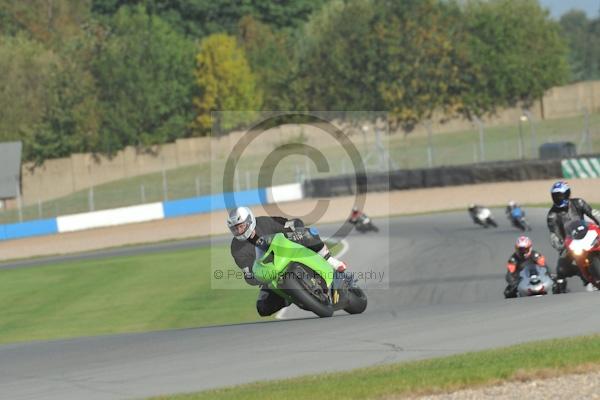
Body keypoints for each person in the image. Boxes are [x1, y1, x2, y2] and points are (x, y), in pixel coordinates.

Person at [227, 207, 348, 316]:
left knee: (309, 234)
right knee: (262, 307)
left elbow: (288, 224)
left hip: (289, 251)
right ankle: (291, 296)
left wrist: (296, 229)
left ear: (249, 221)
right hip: (271, 273)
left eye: (241, 226)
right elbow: (248, 271)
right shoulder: (236, 248)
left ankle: (330, 260)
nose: (239, 231)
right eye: (235, 229)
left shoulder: (264, 222)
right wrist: (255, 277)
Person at [547, 181, 600, 293]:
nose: (558, 199)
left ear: (567, 194)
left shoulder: (578, 203)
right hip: (570, 243)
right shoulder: (552, 215)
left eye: (560, 196)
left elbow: (593, 213)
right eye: (556, 196)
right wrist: (559, 244)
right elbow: (554, 234)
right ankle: (564, 287)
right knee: (561, 268)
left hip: (587, 233)